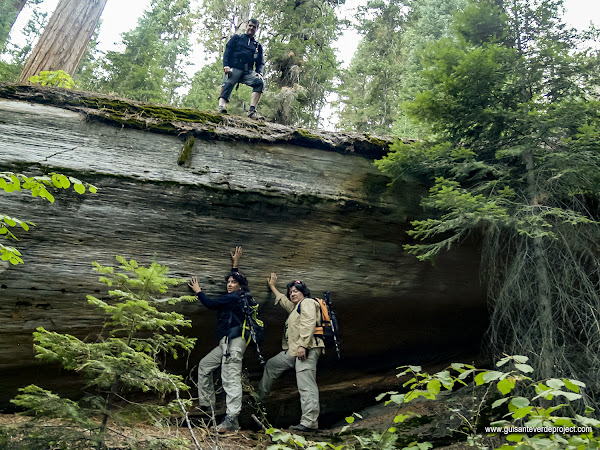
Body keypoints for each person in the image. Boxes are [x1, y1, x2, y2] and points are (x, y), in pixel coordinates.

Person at [188, 246, 248, 433]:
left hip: (234, 343)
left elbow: (210, 303)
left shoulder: (234, 298)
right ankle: (208, 408)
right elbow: (237, 281)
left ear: (239, 286)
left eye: (233, 282)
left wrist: (198, 291)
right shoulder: (238, 296)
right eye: (228, 282)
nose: (230, 284)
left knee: (230, 379)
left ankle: (232, 419)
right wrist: (235, 265)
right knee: (205, 366)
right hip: (226, 343)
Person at [257, 273, 324, 432]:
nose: (292, 294)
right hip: (293, 350)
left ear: (303, 292)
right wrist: (273, 287)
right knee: (272, 365)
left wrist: (303, 345)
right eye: (291, 292)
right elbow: (284, 301)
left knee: (306, 384)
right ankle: (257, 399)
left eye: (296, 291)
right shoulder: (296, 307)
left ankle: (309, 422)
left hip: (307, 348)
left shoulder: (307, 302)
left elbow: (309, 323)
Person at [218, 18, 264, 118]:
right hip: (234, 68)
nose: (251, 28)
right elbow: (227, 51)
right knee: (228, 82)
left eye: (254, 27)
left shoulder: (257, 46)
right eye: (250, 25)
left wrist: (259, 72)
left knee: (259, 82)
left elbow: (260, 62)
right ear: (247, 26)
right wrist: (226, 65)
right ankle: (221, 107)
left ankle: (252, 111)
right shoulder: (236, 38)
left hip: (248, 71)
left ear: (256, 29)